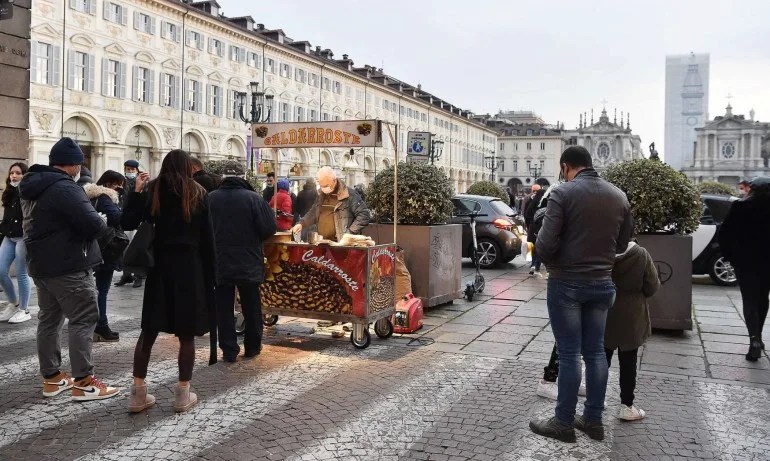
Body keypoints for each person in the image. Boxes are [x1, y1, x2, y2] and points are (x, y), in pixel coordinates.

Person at [529, 146, 633, 443]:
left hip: (567, 284)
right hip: (603, 283)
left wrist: (558, 261)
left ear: (565, 167)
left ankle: (563, 422)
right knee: (596, 352)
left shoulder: (563, 193)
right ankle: (593, 420)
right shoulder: (619, 196)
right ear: (590, 164)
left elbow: (545, 245)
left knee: (570, 353)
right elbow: (623, 245)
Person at [19, 137, 119, 401]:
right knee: (84, 318)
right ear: (74, 165)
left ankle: (52, 378)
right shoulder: (66, 189)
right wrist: (99, 219)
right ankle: (84, 382)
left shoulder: (34, 185)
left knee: (49, 319)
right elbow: (93, 226)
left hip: (42, 265)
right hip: (68, 265)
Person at [121, 149, 217, 414]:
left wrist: (136, 192)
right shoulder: (198, 193)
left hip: (159, 267)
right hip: (191, 268)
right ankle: (182, 394)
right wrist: (212, 277)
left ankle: (137, 393)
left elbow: (126, 221)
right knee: (186, 334)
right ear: (188, 168)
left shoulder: (153, 191)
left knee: (149, 331)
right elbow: (208, 240)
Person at [209, 161, 277, 362]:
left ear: (223, 177)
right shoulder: (254, 199)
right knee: (251, 305)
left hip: (219, 261)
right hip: (248, 260)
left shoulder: (210, 198)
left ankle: (229, 350)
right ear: (243, 177)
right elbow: (268, 229)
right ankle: (253, 347)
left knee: (223, 306)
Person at [604, 239, 660, 421]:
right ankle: (627, 406)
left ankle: (596, 400)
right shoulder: (641, 254)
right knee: (629, 362)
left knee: (601, 359)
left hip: (606, 311)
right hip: (632, 315)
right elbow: (652, 286)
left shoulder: (602, 251)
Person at [719, 176, 770, 361]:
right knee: (763, 297)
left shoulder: (740, 207)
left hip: (745, 262)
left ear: (752, 189)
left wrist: (730, 256)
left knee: (749, 298)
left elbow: (724, 233)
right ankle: (759, 336)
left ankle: (754, 339)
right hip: (767, 262)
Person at [84, 170, 126, 342]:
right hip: (107, 248)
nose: (120, 189)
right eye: (119, 185)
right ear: (109, 184)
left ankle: (95, 324)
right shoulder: (104, 198)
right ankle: (101, 325)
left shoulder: (90, 196)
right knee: (102, 289)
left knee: (96, 288)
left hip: (94, 246)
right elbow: (117, 218)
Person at [290, 166, 370, 242]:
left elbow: (364, 214)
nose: (324, 188)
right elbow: (313, 212)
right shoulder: (321, 195)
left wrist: (349, 233)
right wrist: (301, 223)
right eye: (321, 186)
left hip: (342, 245)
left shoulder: (350, 195)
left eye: (326, 185)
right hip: (323, 243)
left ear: (334, 180)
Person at [0, 162, 33, 324]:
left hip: (23, 236)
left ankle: (24, 309)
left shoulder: (27, 193)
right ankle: (14, 303)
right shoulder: (9, 192)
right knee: (0, 270)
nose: (14, 175)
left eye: (18, 173)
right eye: (12, 172)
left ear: (24, 175)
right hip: (8, 236)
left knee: (21, 273)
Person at [115, 160, 144, 288]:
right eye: (127, 169)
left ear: (137, 170)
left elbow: (138, 201)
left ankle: (138, 276)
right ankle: (126, 275)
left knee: (136, 249)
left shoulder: (142, 183)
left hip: (136, 221)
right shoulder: (122, 182)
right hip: (124, 218)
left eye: (132, 169)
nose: (130, 171)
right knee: (125, 249)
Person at [525, 187, 547, 276]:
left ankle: (532, 265)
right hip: (542, 228)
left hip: (532, 228)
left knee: (533, 247)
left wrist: (528, 226)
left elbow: (527, 215)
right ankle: (537, 267)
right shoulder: (546, 202)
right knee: (540, 248)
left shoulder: (532, 202)